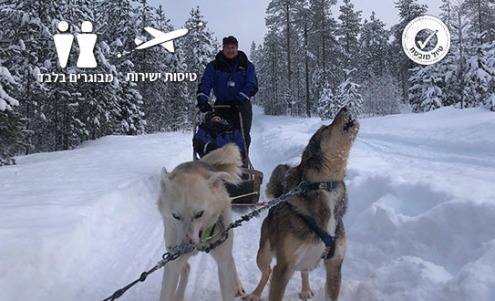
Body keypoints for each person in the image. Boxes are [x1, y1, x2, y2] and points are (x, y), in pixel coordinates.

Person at [196, 35, 258, 154]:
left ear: (237, 48)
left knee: (242, 134)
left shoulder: (246, 65)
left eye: (232, 47)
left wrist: (240, 100)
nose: (230, 50)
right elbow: (205, 83)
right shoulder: (213, 66)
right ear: (223, 48)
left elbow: (251, 84)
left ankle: (241, 161)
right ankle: (218, 159)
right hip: (221, 104)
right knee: (219, 131)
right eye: (227, 47)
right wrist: (202, 101)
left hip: (241, 105)